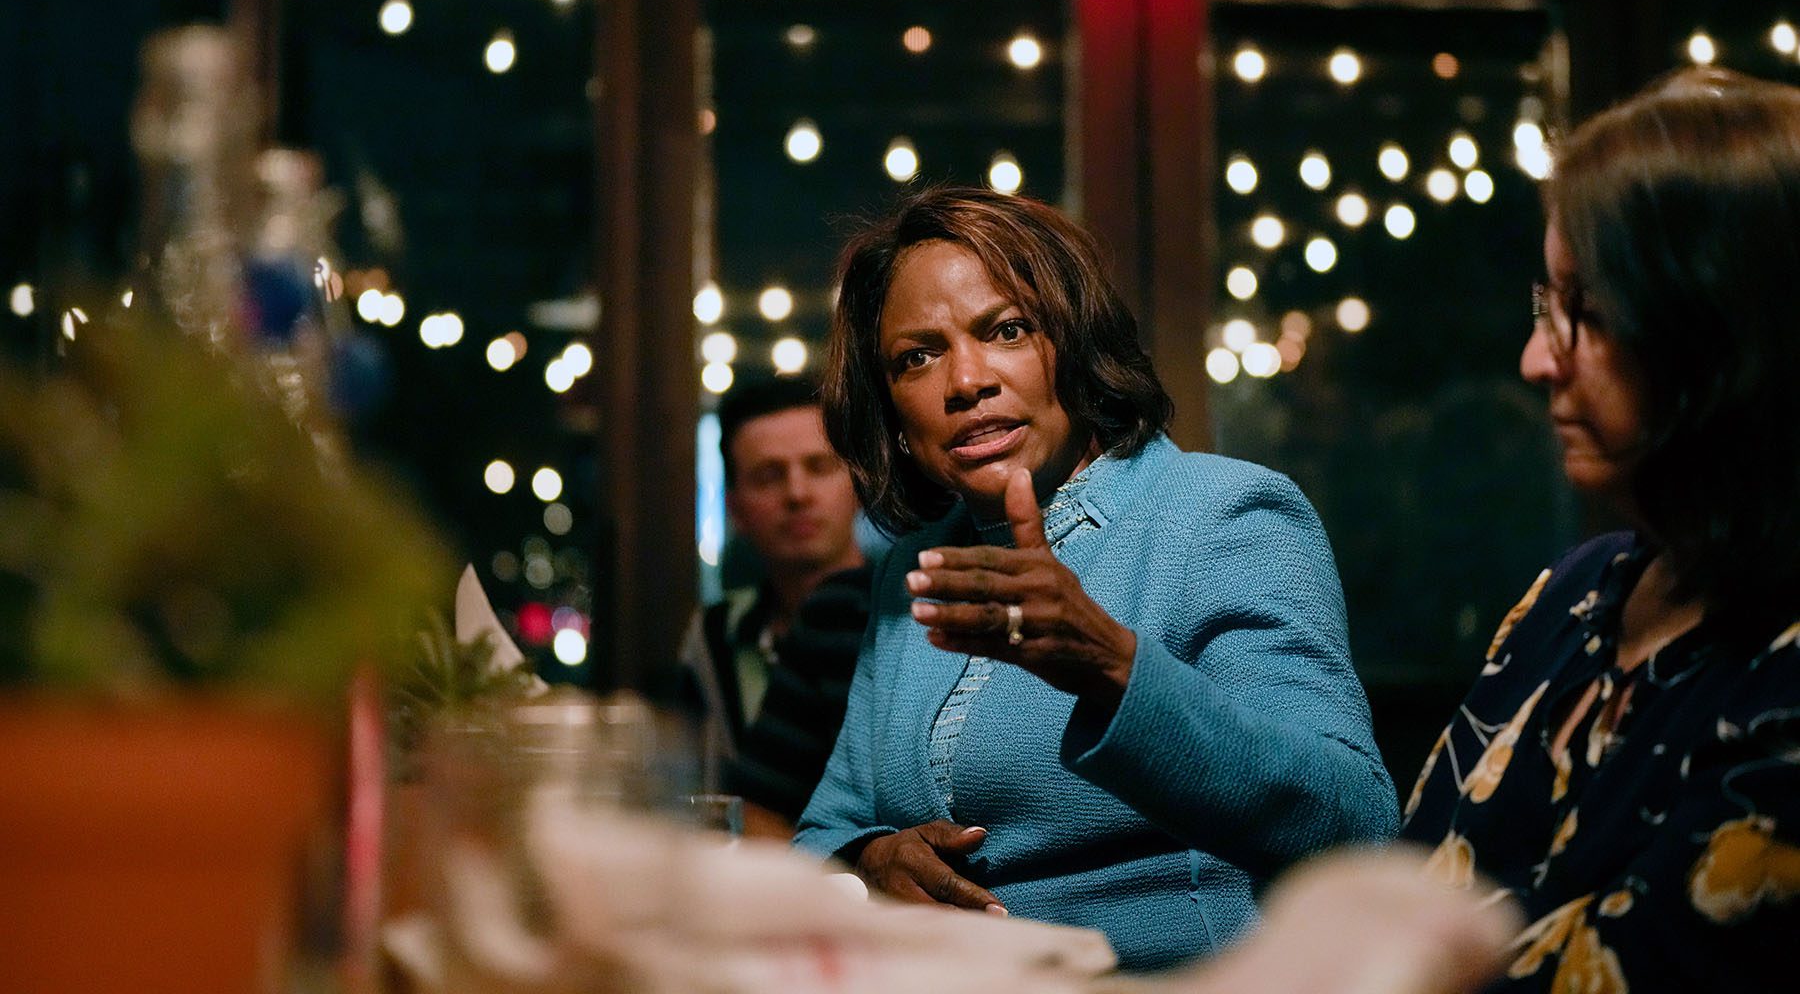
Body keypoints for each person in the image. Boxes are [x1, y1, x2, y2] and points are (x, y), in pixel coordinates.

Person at [793, 186, 1397, 971]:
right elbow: (822, 835)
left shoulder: (1220, 515)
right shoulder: (910, 573)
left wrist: (1110, 665)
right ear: (894, 415)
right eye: (919, 356)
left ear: (1074, 346)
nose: (965, 380)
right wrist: (871, 863)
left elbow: (1355, 821)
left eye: (1005, 330)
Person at [1401, 66, 1800, 989]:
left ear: (1724, 335)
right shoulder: (1578, 590)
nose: (1537, 359)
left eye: (1591, 312)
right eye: (1548, 306)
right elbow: (1411, 886)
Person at [680, 376, 873, 837]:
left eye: (819, 466)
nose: (797, 493)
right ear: (735, 509)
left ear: (858, 484)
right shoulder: (715, 634)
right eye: (769, 475)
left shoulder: (905, 615)